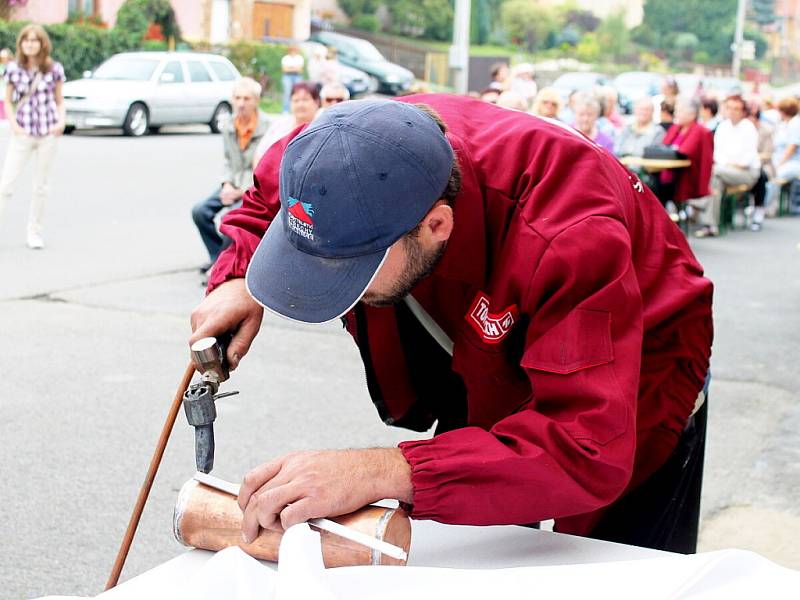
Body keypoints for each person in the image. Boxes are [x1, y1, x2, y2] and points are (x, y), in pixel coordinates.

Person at [190, 95, 713, 554]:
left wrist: (383, 470)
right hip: (480, 332)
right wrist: (238, 277)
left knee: (603, 563)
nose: (329, 284)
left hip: (637, 362)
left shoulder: (572, 234)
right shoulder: (339, 151)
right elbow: (265, 200)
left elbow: (585, 446)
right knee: (478, 543)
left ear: (436, 224)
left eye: (353, 266)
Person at [191, 77, 269, 272]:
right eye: (237, 98)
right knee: (200, 211)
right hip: (232, 183)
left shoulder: (268, 128)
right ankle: (217, 257)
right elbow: (228, 160)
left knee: (231, 217)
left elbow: (266, 169)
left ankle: (225, 265)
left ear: (256, 101)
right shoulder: (228, 125)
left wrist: (241, 192)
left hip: (253, 188)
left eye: (246, 99)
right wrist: (226, 183)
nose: (241, 104)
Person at [0, 25, 65, 250]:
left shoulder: (53, 69)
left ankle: (34, 233)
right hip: (24, 133)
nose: (30, 44)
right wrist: (15, 126)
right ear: (21, 44)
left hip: (48, 134)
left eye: (34, 40)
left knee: (41, 187)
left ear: (42, 44)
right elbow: (7, 100)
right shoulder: (13, 69)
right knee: (6, 184)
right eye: (26, 40)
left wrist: (61, 121)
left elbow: (59, 100)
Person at [695, 94, 760, 238]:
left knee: (714, 173)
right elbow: (717, 154)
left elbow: (747, 160)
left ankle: (699, 202)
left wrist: (731, 164)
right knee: (715, 183)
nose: (732, 111)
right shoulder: (723, 127)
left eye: (736, 109)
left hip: (747, 173)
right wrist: (729, 164)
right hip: (723, 171)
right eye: (729, 108)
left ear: (743, 111)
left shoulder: (749, 128)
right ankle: (711, 225)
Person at [658, 99, 714, 214]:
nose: (676, 114)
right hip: (670, 170)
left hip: (688, 174)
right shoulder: (675, 128)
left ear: (692, 114)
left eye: (680, 111)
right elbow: (663, 147)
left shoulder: (700, 131)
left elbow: (685, 152)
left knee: (657, 187)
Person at [253, 81, 320, 167]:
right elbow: (259, 154)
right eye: (296, 100)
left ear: (317, 102)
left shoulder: (320, 128)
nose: (300, 104)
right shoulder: (280, 124)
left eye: (305, 99)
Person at [765, 97, 800, 216]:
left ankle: (764, 206)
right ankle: (767, 206)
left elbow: (792, 147)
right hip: (782, 161)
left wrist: (780, 163)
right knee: (766, 174)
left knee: (775, 176)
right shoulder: (785, 124)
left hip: (793, 163)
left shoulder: (795, 123)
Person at [280, 45, 304, 113]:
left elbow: (300, 70)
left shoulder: (299, 58)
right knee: (287, 92)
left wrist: (290, 68)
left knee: (297, 93)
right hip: (287, 76)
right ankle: (286, 110)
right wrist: (295, 68)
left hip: (297, 76)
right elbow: (285, 69)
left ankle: (296, 109)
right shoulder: (286, 58)